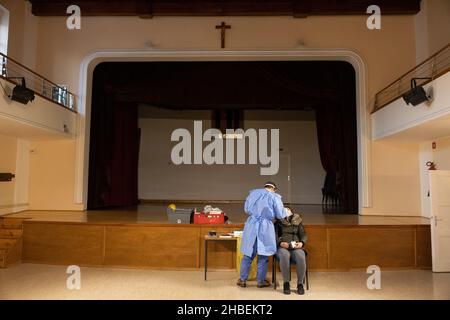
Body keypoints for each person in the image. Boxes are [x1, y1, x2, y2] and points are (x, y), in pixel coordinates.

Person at [237, 182, 286, 288]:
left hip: (252, 225)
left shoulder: (253, 194)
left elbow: (246, 209)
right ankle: (260, 281)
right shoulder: (274, 197)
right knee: (263, 254)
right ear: (274, 189)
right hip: (265, 226)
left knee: (248, 254)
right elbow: (280, 214)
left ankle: (242, 279)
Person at [275, 207, 308, 295]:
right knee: (285, 255)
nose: (286, 211)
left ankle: (300, 284)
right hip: (283, 248)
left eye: (288, 209)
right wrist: (280, 243)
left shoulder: (298, 221)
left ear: (291, 212)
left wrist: (301, 243)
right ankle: (286, 283)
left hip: (295, 247)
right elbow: (274, 236)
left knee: (301, 256)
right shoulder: (278, 222)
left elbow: (303, 235)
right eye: (284, 210)